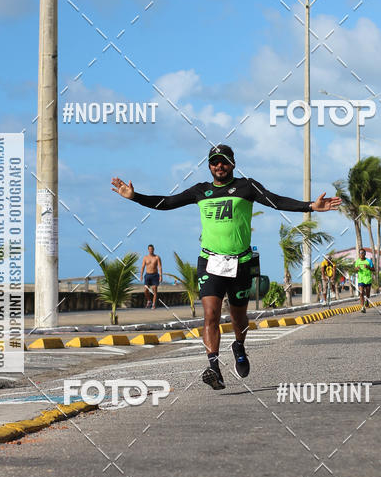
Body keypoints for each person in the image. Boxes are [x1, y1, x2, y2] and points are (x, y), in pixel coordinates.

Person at [112, 144, 341, 390]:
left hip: (241, 263)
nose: (218, 166)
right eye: (214, 162)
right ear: (209, 166)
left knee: (238, 318)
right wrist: (135, 197)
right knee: (210, 315)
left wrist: (310, 206)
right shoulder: (201, 191)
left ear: (232, 163)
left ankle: (239, 346)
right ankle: (214, 367)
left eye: (223, 161)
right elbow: (167, 202)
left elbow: (276, 201)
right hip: (210, 262)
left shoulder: (247, 187)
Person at [140, 244, 162, 309]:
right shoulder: (145, 257)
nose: (150, 250)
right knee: (145, 290)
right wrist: (141, 275)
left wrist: (161, 276)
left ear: (153, 249)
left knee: (154, 289)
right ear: (148, 250)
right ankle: (149, 300)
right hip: (147, 275)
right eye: (149, 249)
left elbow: (160, 267)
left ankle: (154, 304)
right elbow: (143, 267)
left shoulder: (157, 257)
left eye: (151, 249)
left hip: (155, 275)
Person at [355, 247, 374, 313]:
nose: (361, 254)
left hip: (368, 279)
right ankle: (362, 307)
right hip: (361, 280)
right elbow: (355, 269)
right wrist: (356, 269)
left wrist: (368, 267)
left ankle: (367, 301)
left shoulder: (369, 261)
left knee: (367, 294)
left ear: (365, 254)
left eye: (362, 253)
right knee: (361, 293)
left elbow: (373, 269)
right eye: (360, 253)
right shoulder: (357, 261)